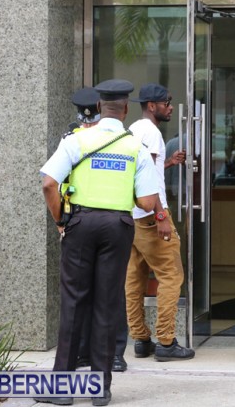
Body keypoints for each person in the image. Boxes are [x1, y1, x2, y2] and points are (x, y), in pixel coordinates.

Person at [37, 79, 159, 406]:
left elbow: (49, 183)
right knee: (107, 303)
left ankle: (61, 389)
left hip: (80, 224)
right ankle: (100, 389)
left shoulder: (76, 140)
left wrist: (60, 220)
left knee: (74, 302)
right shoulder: (135, 147)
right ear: (126, 109)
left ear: (99, 107)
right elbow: (148, 202)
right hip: (118, 227)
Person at [125, 83, 194, 362]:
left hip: (132, 216)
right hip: (151, 217)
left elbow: (140, 171)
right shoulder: (152, 133)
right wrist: (161, 215)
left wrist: (168, 163)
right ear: (152, 106)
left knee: (134, 279)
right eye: (166, 103)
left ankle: (141, 339)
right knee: (171, 276)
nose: (171, 107)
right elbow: (148, 177)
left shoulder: (133, 130)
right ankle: (166, 341)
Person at [65, 87, 130, 373]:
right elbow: (60, 182)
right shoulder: (72, 139)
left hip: (105, 220)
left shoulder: (120, 140)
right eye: (85, 120)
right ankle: (83, 353)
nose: (88, 124)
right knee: (84, 293)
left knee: (110, 293)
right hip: (80, 219)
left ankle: (114, 352)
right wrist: (62, 219)